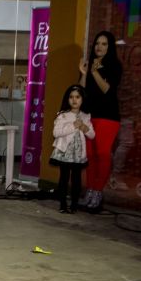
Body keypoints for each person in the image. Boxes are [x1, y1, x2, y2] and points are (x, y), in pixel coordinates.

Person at [78, 30, 122, 212]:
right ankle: (89, 191)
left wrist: (95, 72)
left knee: (102, 154)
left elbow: (107, 90)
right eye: (97, 43)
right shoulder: (89, 64)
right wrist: (83, 73)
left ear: (109, 47)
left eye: (104, 44)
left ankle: (97, 193)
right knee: (90, 155)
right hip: (90, 116)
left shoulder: (114, 65)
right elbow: (81, 90)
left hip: (108, 117)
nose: (99, 47)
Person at [50, 84, 95, 213]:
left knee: (77, 180)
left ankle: (74, 205)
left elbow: (92, 135)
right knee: (64, 178)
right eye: (71, 97)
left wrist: (84, 128)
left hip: (78, 154)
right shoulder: (63, 115)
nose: (74, 100)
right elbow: (56, 133)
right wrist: (73, 126)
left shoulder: (86, 116)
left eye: (77, 97)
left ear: (82, 99)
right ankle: (63, 204)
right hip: (65, 153)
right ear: (67, 99)